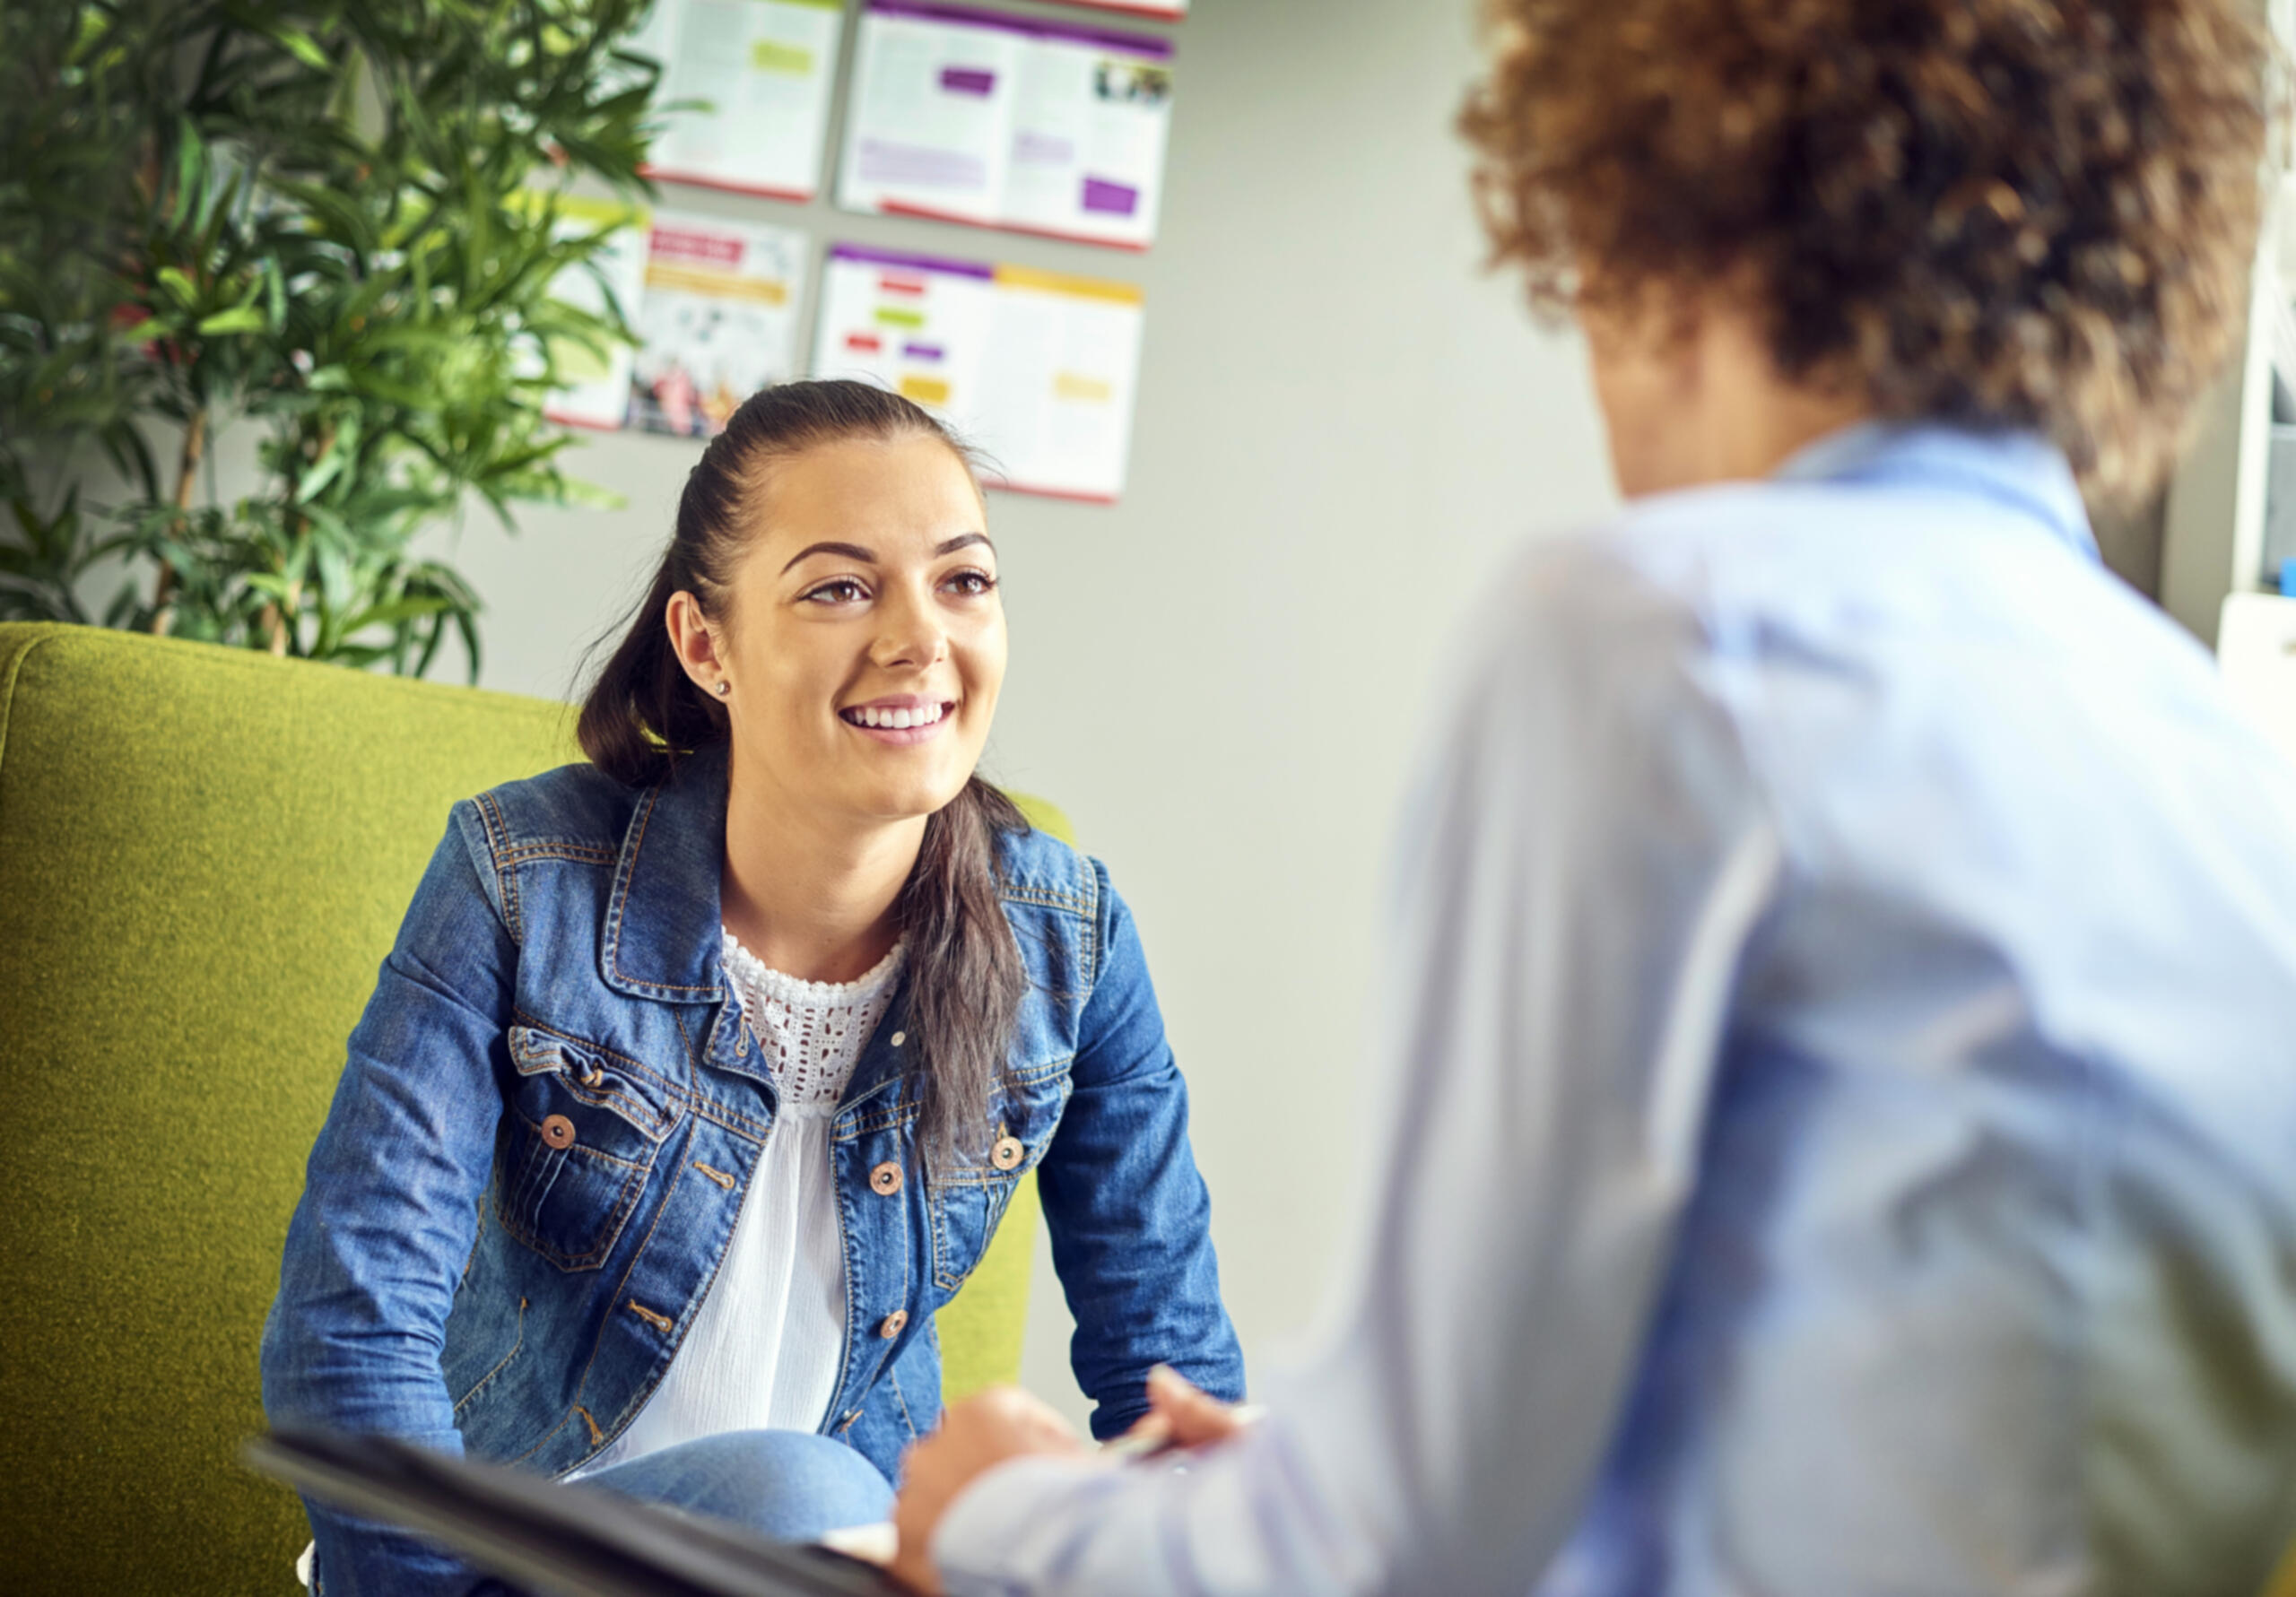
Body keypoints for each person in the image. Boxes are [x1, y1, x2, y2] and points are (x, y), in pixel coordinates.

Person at [886, 2, 2296, 1593]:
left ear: (1659, 220)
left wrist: (1001, 1511)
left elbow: (1390, 1556)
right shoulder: (2236, 770)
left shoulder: (1667, 632)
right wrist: (1305, 1472)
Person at [259, 379, 1244, 1596]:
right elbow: (349, 1331)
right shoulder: (524, 879)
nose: (918, 638)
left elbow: (1172, 1380)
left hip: (835, 1571)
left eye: (963, 579)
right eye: (839, 586)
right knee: (805, 1493)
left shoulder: (1070, 941)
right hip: (511, 1561)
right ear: (705, 643)